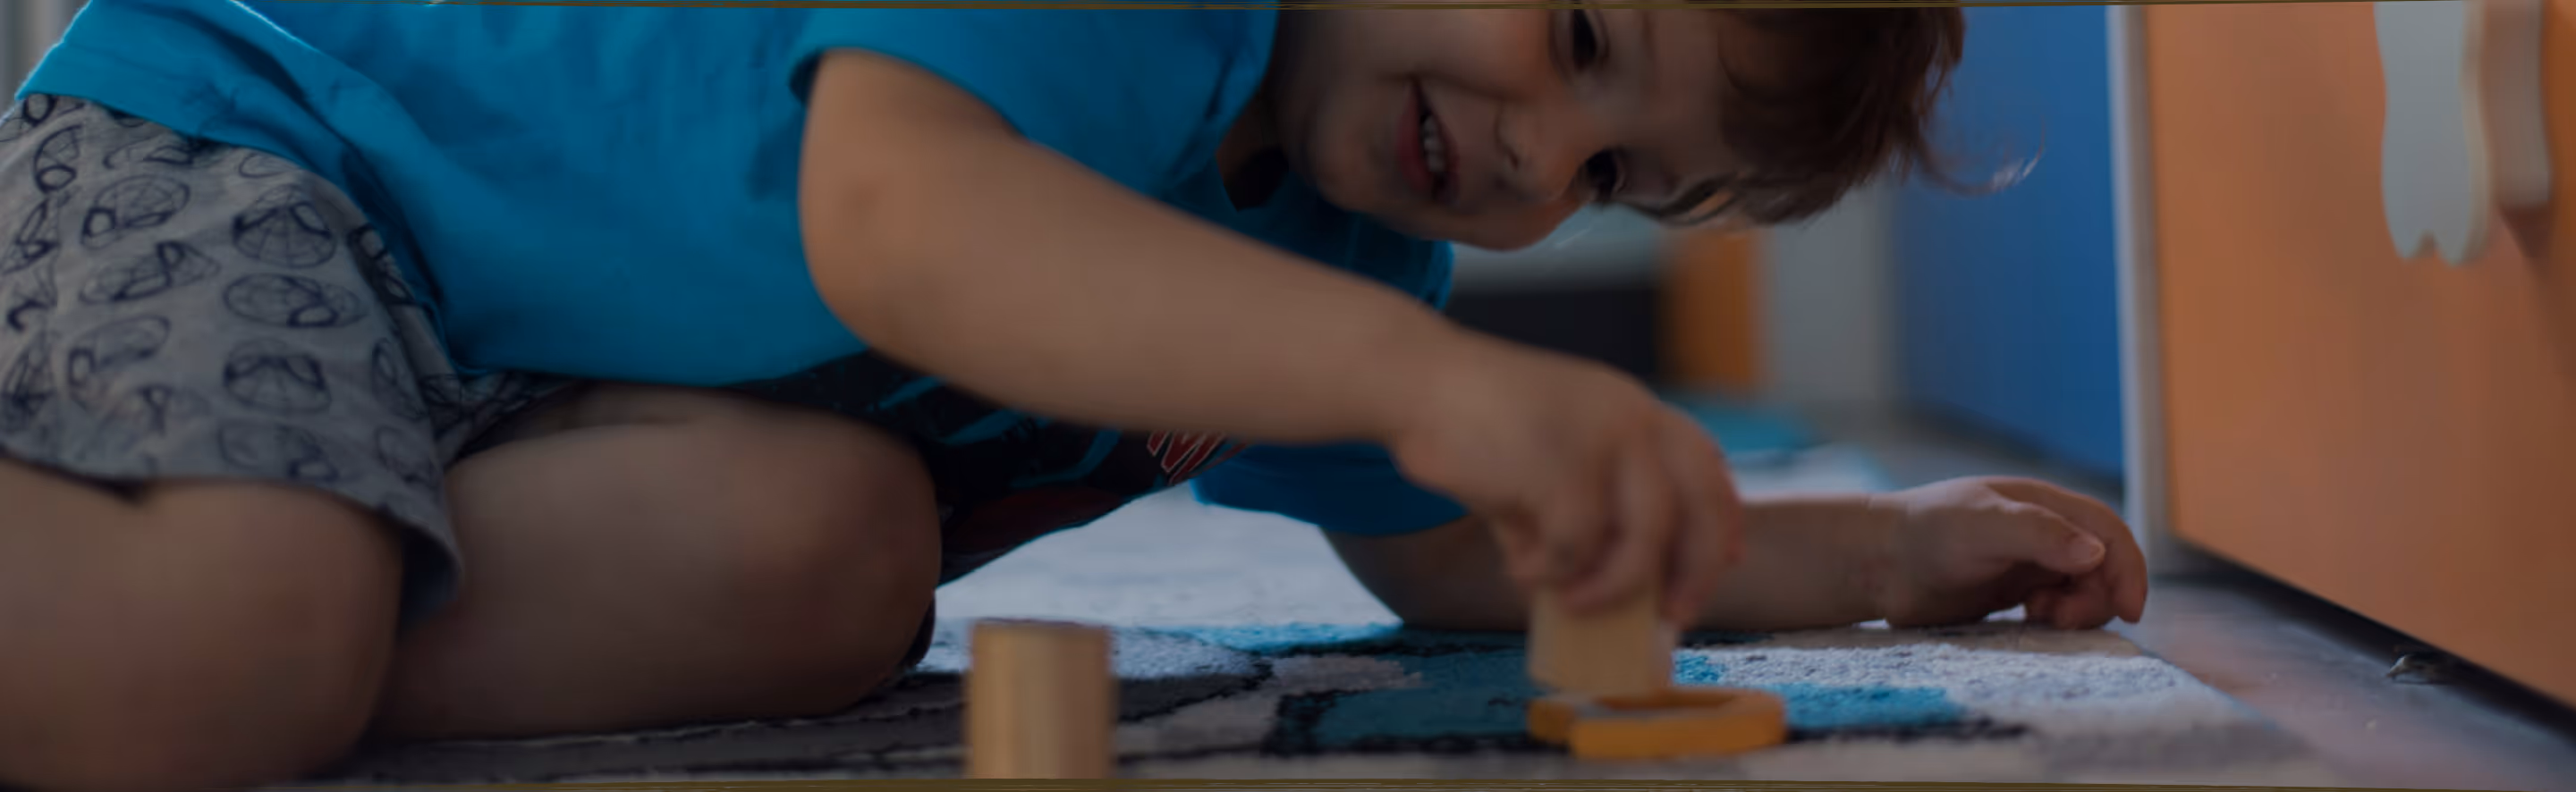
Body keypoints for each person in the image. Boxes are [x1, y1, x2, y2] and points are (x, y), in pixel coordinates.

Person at [0, 2, 2146, 790]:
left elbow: (1449, 547)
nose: (1536, 158)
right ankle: (212, 595)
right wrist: (1422, 372)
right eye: (1577, 38)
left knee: (842, 569)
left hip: (541, 385)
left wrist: (1868, 553)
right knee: (220, 667)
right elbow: (901, 225)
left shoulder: (1343, 242)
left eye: (1619, 178)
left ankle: (272, 583)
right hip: (280, 145)